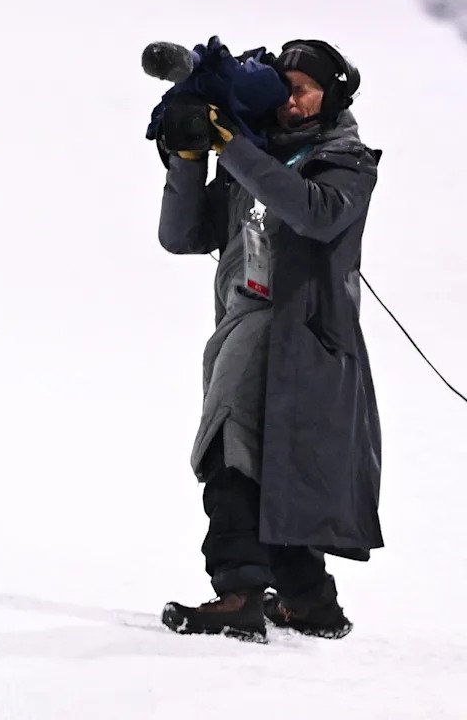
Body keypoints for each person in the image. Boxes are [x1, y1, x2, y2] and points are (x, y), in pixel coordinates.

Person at [154, 40, 383, 641]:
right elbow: (181, 235)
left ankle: (238, 593)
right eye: (285, 87)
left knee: (231, 449)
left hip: (300, 333)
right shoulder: (257, 154)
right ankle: (309, 602)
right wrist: (187, 156)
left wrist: (233, 145)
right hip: (247, 322)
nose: (291, 101)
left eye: (305, 90)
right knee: (277, 466)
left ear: (333, 96)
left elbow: (314, 213)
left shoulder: (347, 163)